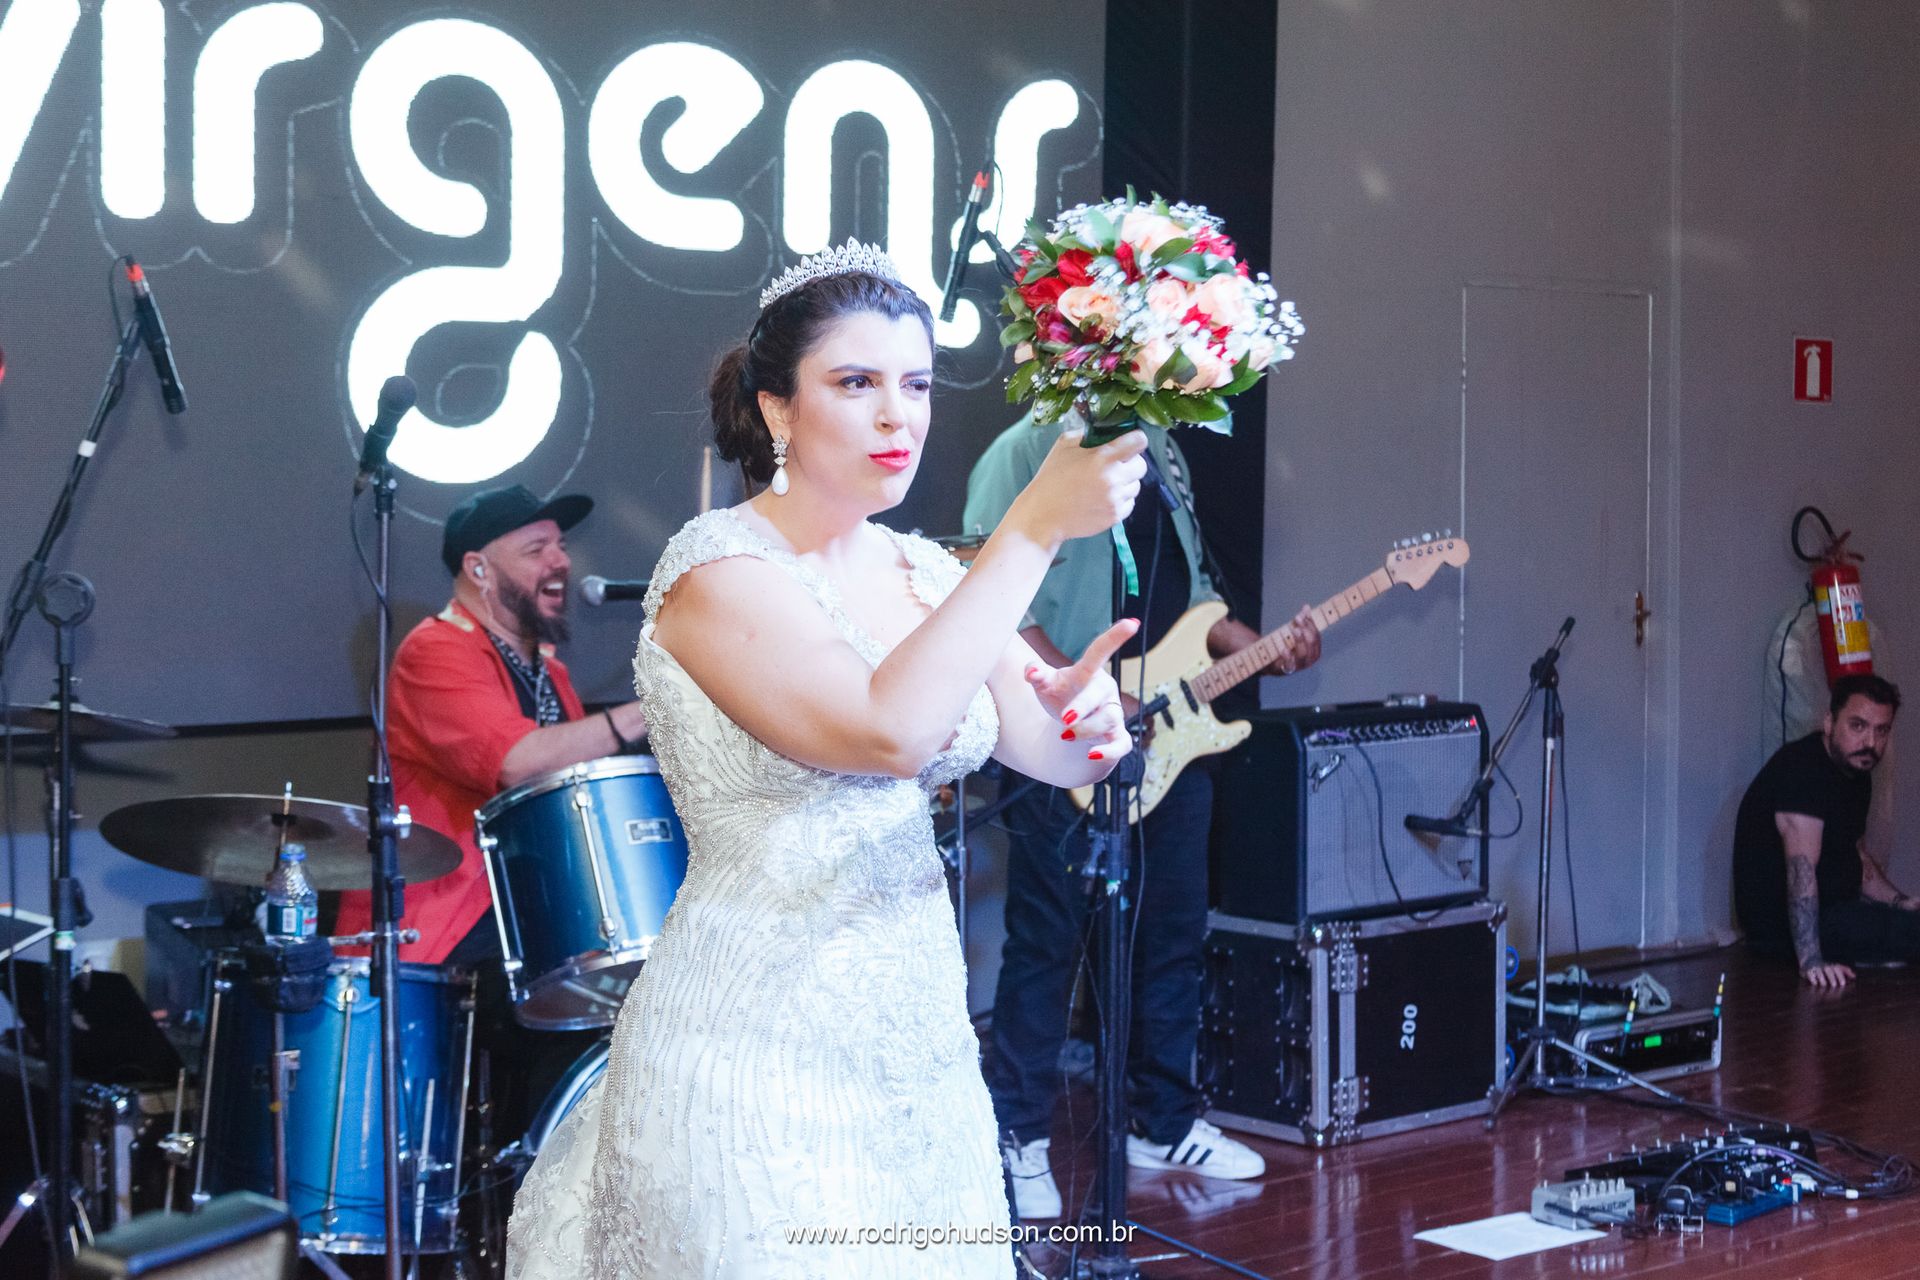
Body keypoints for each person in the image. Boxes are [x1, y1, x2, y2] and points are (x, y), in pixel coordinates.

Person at [504, 242, 1150, 1279]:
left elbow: (1041, 744)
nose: (899, 417)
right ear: (777, 408)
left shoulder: (928, 571)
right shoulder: (717, 570)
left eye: (918, 384)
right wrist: (1032, 525)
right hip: (754, 1044)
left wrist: (1090, 723)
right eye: (856, 383)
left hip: (916, 1047)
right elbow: (888, 731)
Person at [964, 409, 1322, 1220]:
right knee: (1047, 942)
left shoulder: (1158, 448)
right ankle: (1017, 1134)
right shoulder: (1021, 451)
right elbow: (993, 606)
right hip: (1062, 735)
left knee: (1173, 933)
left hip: (1170, 737)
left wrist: (1268, 647)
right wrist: (1086, 692)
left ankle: (1164, 1122)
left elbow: (1198, 602)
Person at [333, 484, 650, 1131]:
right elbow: (516, 762)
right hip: (446, 931)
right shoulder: (434, 652)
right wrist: (652, 705)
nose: (560, 561)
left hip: (525, 928)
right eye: (537, 550)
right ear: (478, 568)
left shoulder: (548, 673)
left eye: (561, 546)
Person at [1734, 673, 1917, 986]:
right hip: (1783, 930)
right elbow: (1800, 870)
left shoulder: (1856, 770)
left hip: (1836, 913)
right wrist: (1811, 960)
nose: (1870, 743)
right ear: (1830, 722)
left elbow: (1856, 858)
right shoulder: (1803, 771)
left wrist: (1901, 902)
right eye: (1858, 726)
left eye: (1881, 730)